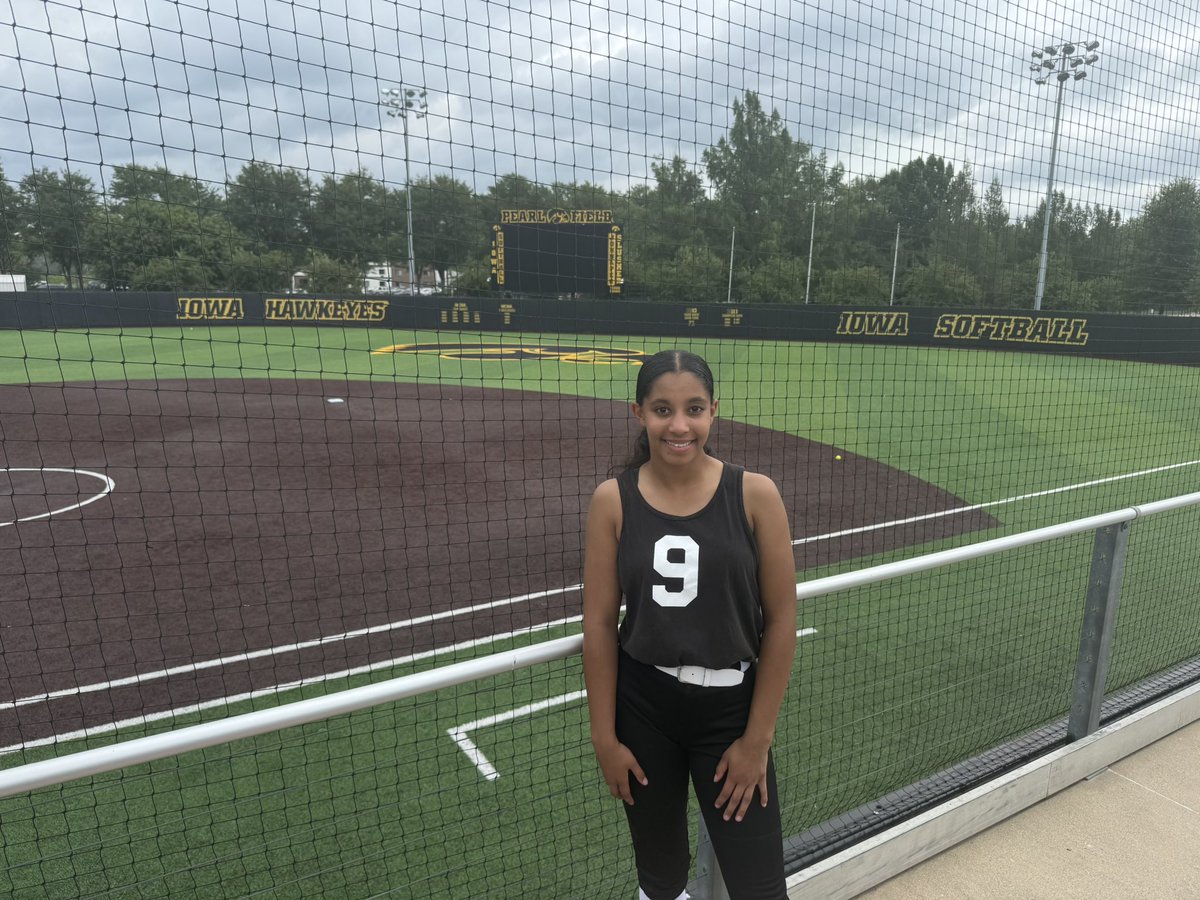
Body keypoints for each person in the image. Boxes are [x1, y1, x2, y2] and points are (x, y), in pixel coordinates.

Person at [582, 349, 797, 900]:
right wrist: (605, 737)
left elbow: (782, 620)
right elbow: (602, 625)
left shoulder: (755, 494)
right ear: (638, 414)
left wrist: (757, 740)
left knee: (760, 884)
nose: (679, 426)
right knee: (661, 881)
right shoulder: (613, 500)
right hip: (644, 710)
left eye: (694, 409)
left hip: (731, 713)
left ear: (713, 412)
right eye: (662, 409)